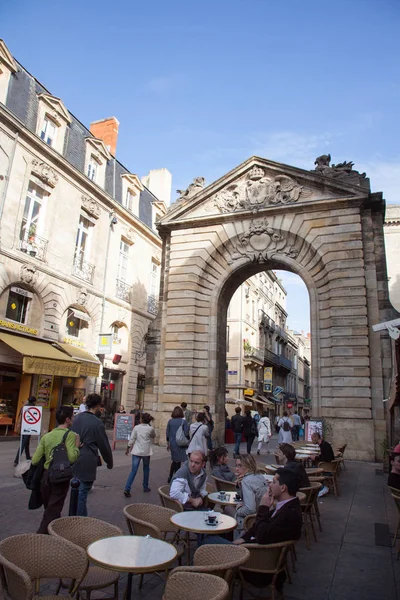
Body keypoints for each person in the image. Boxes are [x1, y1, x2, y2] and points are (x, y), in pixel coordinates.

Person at [202, 469, 303, 596]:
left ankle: (209, 586)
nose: (269, 485)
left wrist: (263, 507)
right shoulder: (287, 505)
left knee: (207, 541)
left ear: (283, 487)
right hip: (252, 549)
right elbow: (257, 526)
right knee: (221, 534)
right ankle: (213, 578)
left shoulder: (290, 513)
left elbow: (262, 535)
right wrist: (244, 537)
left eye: (273, 482)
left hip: (256, 563)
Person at [31, 405, 80, 534]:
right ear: (68, 420)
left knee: (51, 507)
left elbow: (35, 460)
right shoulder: (71, 435)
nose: (74, 419)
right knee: (53, 509)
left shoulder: (47, 436)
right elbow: (72, 457)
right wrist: (77, 446)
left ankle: (55, 532)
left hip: (46, 476)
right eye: (73, 417)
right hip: (60, 475)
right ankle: (41, 535)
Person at [71, 393, 113, 516]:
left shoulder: (77, 418)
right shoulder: (97, 422)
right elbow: (104, 445)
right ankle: (79, 521)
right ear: (98, 405)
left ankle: (74, 518)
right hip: (87, 459)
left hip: (74, 457)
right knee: (82, 493)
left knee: (77, 491)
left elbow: (69, 435)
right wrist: (109, 462)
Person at [124, 412, 155, 496]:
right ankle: (145, 486)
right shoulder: (150, 428)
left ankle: (127, 488)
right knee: (146, 468)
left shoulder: (136, 427)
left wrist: (128, 448)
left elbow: (132, 439)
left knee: (134, 470)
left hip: (137, 451)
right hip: (146, 451)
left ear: (141, 419)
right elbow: (153, 436)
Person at [235, 454, 268, 533]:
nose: (236, 469)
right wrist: (239, 486)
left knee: (227, 511)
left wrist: (238, 509)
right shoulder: (260, 476)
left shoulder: (246, 481)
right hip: (265, 516)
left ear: (248, 466)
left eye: (239, 466)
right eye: (236, 465)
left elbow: (250, 509)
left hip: (252, 521)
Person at [166, 406, 189, 483]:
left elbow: (167, 434)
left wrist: (168, 444)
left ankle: (170, 476)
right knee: (181, 461)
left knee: (175, 461)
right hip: (181, 444)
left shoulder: (170, 421)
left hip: (173, 444)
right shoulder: (183, 422)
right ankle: (177, 477)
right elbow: (186, 433)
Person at [14, 396, 37, 466]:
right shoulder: (34, 408)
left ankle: (27, 456)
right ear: (34, 401)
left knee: (26, 443)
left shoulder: (24, 407)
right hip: (29, 427)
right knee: (23, 443)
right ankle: (16, 460)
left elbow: (20, 416)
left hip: (23, 427)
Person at [311, 431, 335, 497]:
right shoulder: (323, 444)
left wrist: (315, 458)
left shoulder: (324, 445)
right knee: (312, 467)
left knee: (310, 471)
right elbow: (325, 455)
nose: (312, 440)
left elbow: (326, 458)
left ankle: (321, 487)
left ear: (316, 437)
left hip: (327, 467)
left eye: (312, 438)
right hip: (328, 465)